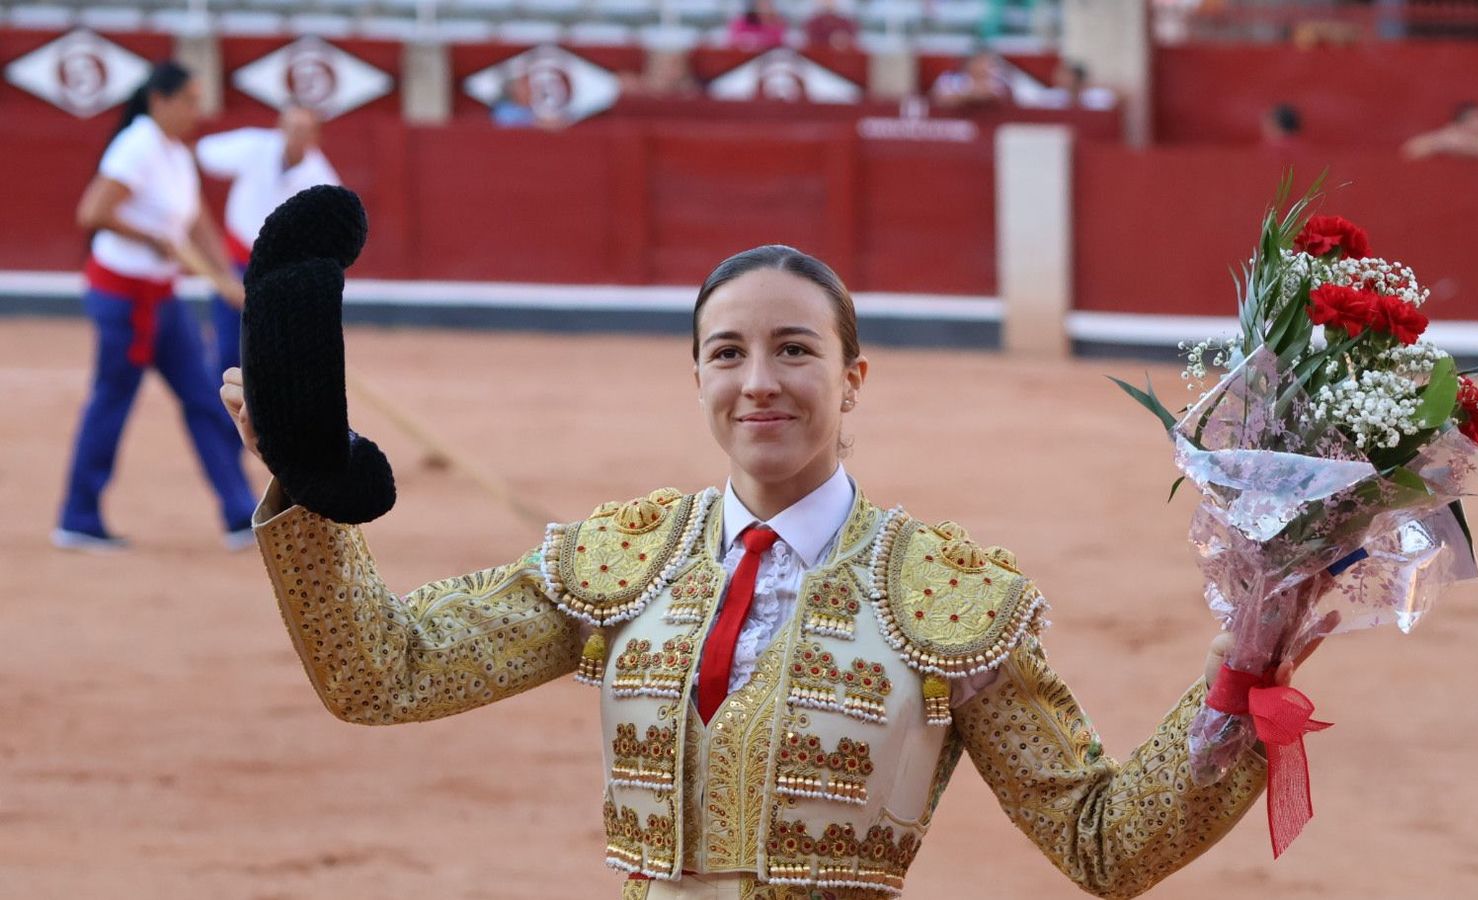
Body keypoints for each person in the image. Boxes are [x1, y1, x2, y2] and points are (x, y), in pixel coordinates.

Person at [222, 190, 1330, 897]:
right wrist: (305, 488)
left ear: (853, 380)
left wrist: (1242, 673)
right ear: (698, 378)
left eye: (795, 350)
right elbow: (386, 672)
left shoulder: (946, 599)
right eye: (728, 354)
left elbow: (1103, 843)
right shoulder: (621, 561)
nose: (759, 382)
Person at [55, 61, 256, 553]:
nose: (195, 111)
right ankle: (78, 516)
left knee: (204, 395)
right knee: (113, 400)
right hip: (123, 298)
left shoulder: (174, 151)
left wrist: (227, 277)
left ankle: (240, 514)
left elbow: (197, 219)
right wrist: (152, 239)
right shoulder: (137, 145)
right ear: (159, 100)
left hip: (160, 295)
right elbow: (93, 211)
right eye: (188, 101)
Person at [195, 104, 339, 390]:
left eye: (303, 131)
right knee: (228, 349)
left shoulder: (322, 179)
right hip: (234, 265)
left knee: (273, 355)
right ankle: (223, 415)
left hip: (279, 276)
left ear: (315, 137)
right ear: (280, 128)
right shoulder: (254, 146)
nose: (295, 137)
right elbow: (201, 155)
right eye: (291, 129)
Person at [1401, 102, 1478, 161]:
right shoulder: (1445, 138)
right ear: (1464, 122)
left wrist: (1472, 149)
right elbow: (1409, 150)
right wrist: (1441, 142)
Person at [929, 50, 1011, 111]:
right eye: (980, 62)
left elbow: (1003, 97)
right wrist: (972, 95)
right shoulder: (951, 79)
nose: (985, 67)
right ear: (969, 63)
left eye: (989, 63)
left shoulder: (999, 80)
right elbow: (940, 99)